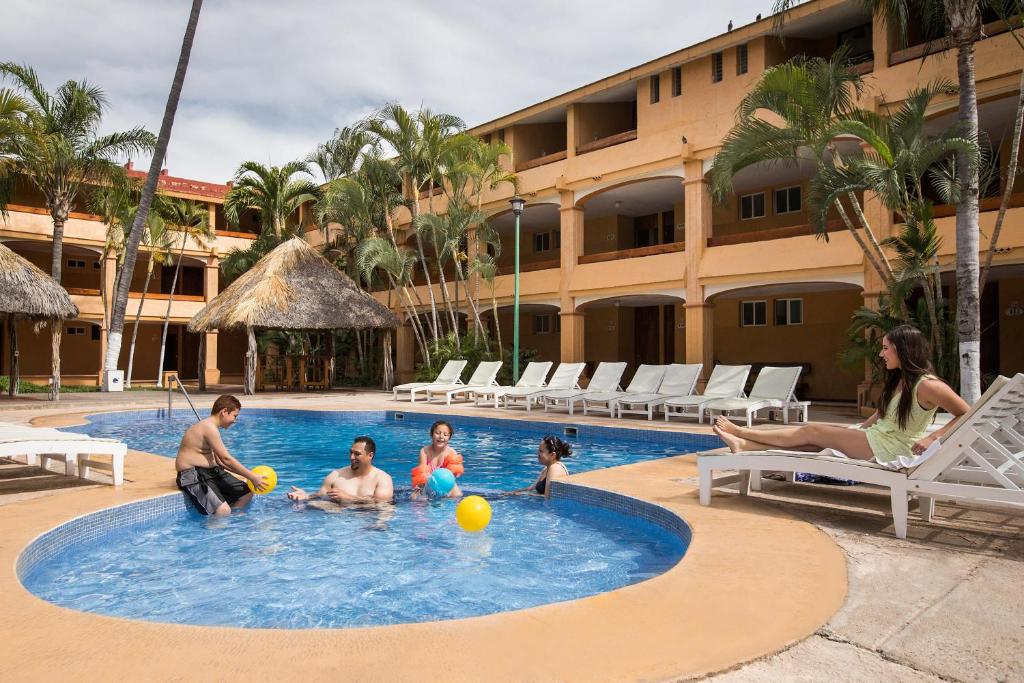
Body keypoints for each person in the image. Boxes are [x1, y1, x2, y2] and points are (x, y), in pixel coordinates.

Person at [712, 325, 970, 465]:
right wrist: (858, 428)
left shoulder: (929, 385)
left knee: (811, 431)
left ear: (903, 350)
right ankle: (746, 445)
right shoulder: (901, 380)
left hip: (892, 449)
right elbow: (884, 413)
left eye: (886, 349)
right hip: (876, 438)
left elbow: (966, 413)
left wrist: (932, 437)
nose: (882, 354)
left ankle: (744, 432)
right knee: (816, 442)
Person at [175, 394, 268, 516]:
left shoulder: (212, 428)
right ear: (224, 411)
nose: (235, 421)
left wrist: (249, 476)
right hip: (191, 474)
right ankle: (216, 530)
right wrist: (252, 476)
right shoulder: (208, 427)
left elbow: (221, 461)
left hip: (210, 472)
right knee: (223, 510)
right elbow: (226, 459)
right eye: (234, 416)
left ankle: (232, 522)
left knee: (247, 493)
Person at [287, 436, 394, 505]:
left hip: (367, 521)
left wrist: (348, 498)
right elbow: (320, 496)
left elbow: (383, 505)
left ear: (370, 455)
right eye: (351, 452)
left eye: (357, 454)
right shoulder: (335, 476)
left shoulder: (382, 479)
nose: (352, 457)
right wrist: (306, 497)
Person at [507, 435, 573, 499]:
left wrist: (523, 495)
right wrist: (512, 493)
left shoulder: (555, 468)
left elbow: (548, 497)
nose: (538, 454)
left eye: (541, 451)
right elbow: (530, 488)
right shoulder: (547, 468)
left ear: (552, 455)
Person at [416, 420, 462, 498]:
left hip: (445, 485)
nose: (441, 437)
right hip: (428, 483)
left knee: (457, 495)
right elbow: (422, 473)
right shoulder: (424, 451)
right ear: (431, 434)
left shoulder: (452, 453)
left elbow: (452, 477)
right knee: (415, 497)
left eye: (445, 434)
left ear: (449, 437)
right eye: (437, 433)